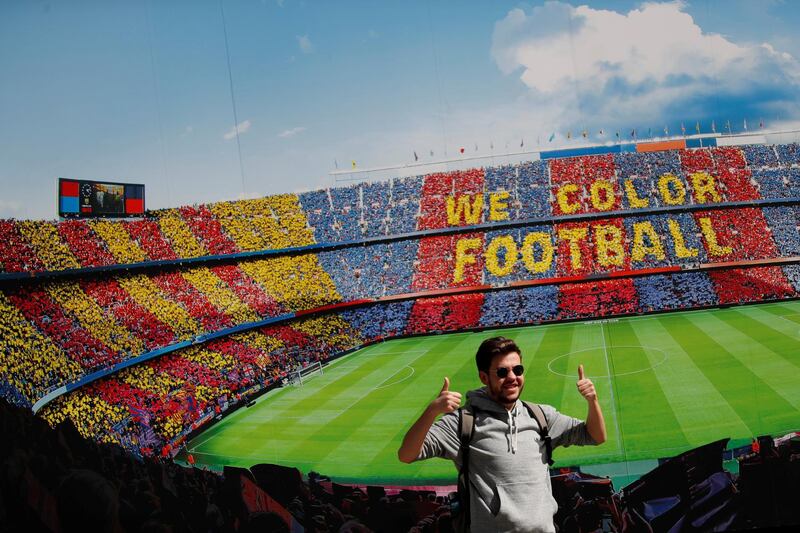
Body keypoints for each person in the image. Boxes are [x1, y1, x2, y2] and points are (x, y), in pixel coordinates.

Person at [398, 336, 607, 532]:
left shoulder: (541, 416)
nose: (512, 378)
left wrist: (592, 400)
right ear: (483, 377)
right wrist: (432, 411)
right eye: (502, 372)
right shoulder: (463, 422)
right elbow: (406, 454)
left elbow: (595, 436)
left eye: (517, 369)